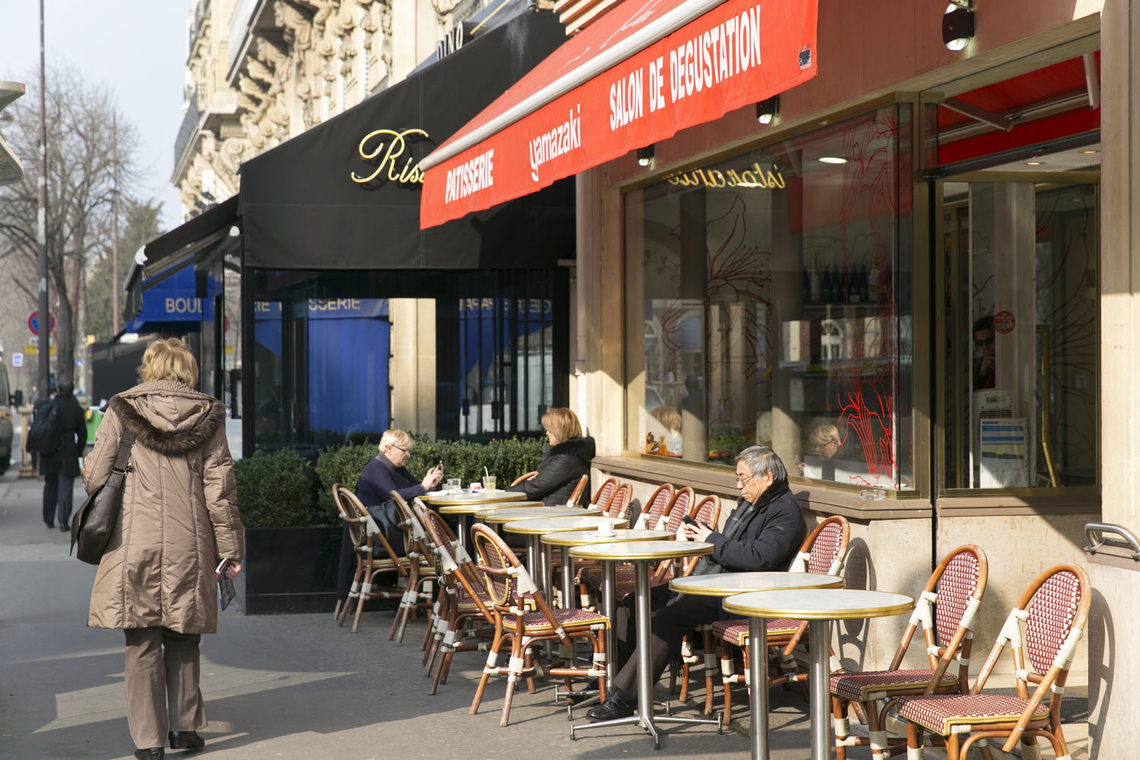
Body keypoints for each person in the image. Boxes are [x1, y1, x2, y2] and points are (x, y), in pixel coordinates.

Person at [84, 338, 243, 760]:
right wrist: (230, 550)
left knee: (141, 642)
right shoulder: (209, 414)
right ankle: (185, 727)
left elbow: (95, 477)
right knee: (184, 634)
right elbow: (221, 491)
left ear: (149, 368)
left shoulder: (122, 409)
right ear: (189, 371)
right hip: (191, 545)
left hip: (132, 544)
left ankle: (148, 742)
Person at [586, 445, 805, 722]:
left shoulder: (784, 512)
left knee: (668, 617)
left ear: (768, 477)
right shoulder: (751, 504)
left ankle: (626, 698)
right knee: (632, 603)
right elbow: (732, 547)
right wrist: (704, 536)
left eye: (743, 478)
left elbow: (758, 558)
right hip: (717, 580)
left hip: (744, 593)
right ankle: (609, 681)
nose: (738, 485)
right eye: (737, 478)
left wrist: (711, 539)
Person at [354, 429, 443, 554]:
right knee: (437, 541)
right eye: (404, 450)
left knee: (436, 539)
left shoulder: (396, 467)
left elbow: (414, 488)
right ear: (389, 448)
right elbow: (393, 496)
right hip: (378, 536)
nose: (408, 455)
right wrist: (423, 487)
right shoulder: (375, 467)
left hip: (390, 531)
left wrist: (430, 485)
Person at [509, 407, 595, 505]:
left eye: (550, 430)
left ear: (559, 431)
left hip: (552, 512)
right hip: (548, 508)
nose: (547, 433)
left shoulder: (567, 459)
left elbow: (535, 487)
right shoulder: (568, 456)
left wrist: (504, 494)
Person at [38, 382, 87, 530]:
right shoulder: (76, 409)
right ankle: (63, 521)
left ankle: (48, 519)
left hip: (48, 450)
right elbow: (83, 435)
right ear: (72, 392)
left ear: (58, 390)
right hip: (68, 449)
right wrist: (78, 451)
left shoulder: (48, 406)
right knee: (65, 485)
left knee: (50, 484)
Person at [972, 314, 996, 390]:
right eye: (980, 343)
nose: (985, 347)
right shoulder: (976, 367)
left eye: (989, 341)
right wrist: (982, 374)